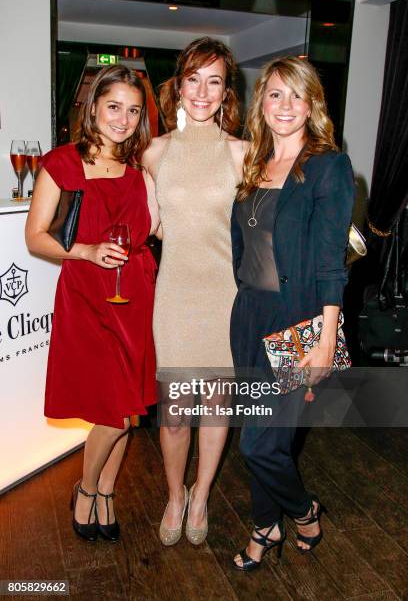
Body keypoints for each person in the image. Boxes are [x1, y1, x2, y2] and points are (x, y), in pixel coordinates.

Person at [230, 56, 355, 570]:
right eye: (274, 94)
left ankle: (303, 511)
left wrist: (325, 339)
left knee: (258, 445)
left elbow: (330, 259)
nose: (284, 105)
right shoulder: (252, 164)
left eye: (296, 95)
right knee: (264, 434)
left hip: (297, 323)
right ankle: (265, 529)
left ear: (312, 105)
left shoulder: (328, 166)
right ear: (262, 101)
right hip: (248, 318)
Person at [25, 65, 159, 543]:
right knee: (115, 411)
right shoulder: (62, 163)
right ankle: (85, 489)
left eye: (133, 110)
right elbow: (35, 237)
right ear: (93, 107)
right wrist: (84, 250)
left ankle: (105, 490)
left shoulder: (142, 171)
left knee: (128, 408)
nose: (123, 119)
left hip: (136, 294)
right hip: (87, 294)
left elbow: (161, 229)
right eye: (114, 107)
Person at [143, 37, 247, 546]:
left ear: (226, 92)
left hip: (227, 300)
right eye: (193, 79)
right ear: (178, 85)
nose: (202, 92)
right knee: (176, 415)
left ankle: (201, 494)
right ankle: (174, 495)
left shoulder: (241, 153)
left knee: (215, 410)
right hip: (176, 298)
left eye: (215, 82)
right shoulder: (156, 152)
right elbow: (153, 225)